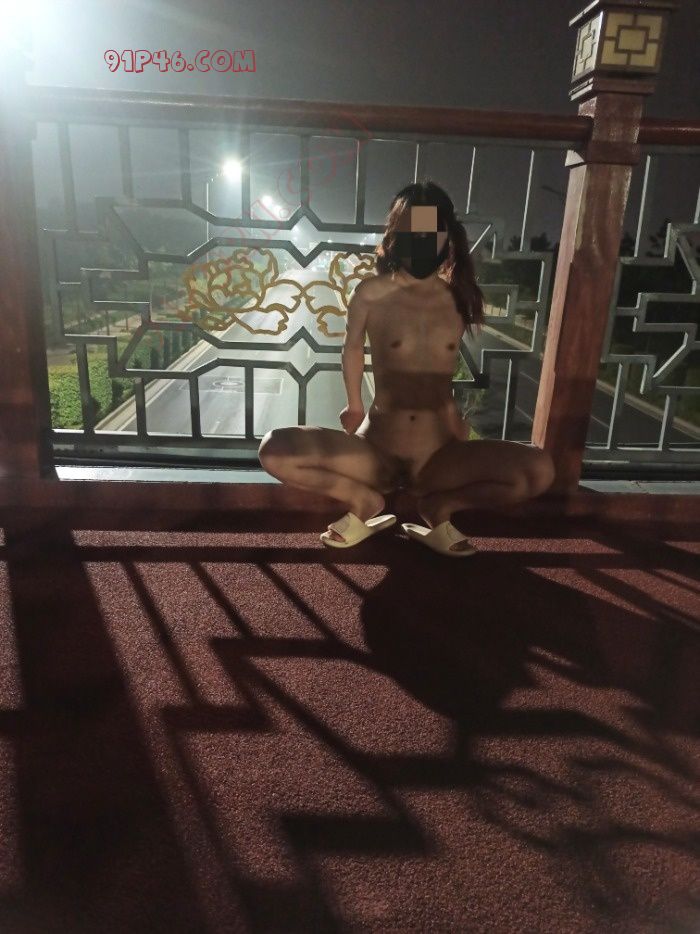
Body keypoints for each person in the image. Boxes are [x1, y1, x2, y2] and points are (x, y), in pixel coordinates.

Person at [258, 180, 555, 556]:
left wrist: (457, 421)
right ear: (396, 235)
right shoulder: (371, 292)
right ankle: (365, 501)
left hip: (438, 456)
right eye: (412, 230)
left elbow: (439, 367)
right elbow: (352, 348)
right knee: (275, 449)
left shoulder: (456, 298)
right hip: (376, 449)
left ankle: (439, 507)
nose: (422, 241)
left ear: (447, 238)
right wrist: (354, 404)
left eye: (432, 232)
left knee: (539, 469)